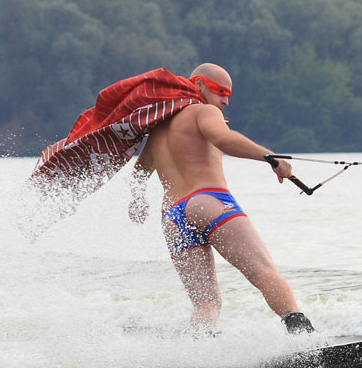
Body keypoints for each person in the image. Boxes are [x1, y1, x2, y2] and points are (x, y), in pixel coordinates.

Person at [127, 62, 315, 335]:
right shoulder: (204, 111)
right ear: (199, 85)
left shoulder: (158, 128)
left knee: (206, 303)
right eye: (220, 91)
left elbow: (139, 173)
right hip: (207, 200)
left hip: (172, 217)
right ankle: (306, 342)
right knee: (265, 274)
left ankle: (200, 358)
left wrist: (137, 200)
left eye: (229, 94)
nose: (225, 100)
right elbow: (224, 140)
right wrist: (270, 158)